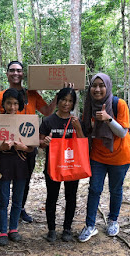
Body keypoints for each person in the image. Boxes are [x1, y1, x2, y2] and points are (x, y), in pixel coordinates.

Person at [0, 61, 57, 224]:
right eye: (12, 70)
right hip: (7, 148)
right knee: (3, 183)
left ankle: (20, 209)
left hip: (28, 146)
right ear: (7, 74)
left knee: (24, 181)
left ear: (23, 74)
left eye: (19, 71)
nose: (16, 73)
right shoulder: (1, 96)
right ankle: (1, 214)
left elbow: (47, 111)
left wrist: (59, 94)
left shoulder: (32, 94)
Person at [78, 73, 130, 243]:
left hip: (120, 156)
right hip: (98, 156)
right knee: (94, 189)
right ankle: (90, 225)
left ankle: (113, 220)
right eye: (94, 85)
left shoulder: (119, 104)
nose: (97, 89)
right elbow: (86, 131)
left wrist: (108, 119)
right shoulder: (89, 106)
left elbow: (123, 132)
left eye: (101, 85)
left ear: (107, 86)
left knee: (115, 189)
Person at [0, 88, 34, 246]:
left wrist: (24, 147)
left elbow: (32, 146)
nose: (12, 107)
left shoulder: (26, 121)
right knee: (3, 199)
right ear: (3, 104)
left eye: (15, 103)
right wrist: (1, 147)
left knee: (17, 199)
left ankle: (13, 229)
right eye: (9, 103)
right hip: (4, 165)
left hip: (21, 165)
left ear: (20, 104)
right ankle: (2, 230)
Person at [39, 88, 84, 242]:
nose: (66, 103)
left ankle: (67, 229)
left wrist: (78, 128)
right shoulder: (48, 121)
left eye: (70, 101)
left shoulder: (76, 121)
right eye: (64, 99)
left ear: (73, 103)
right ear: (58, 100)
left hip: (72, 165)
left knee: (71, 197)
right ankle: (51, 229)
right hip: (53, 166)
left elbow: (83, 143)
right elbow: (39, 143)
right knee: (52, 197)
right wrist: (44, 142)